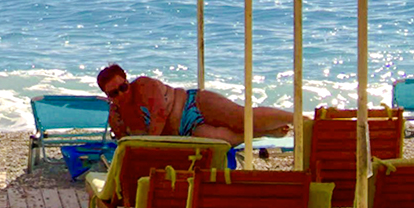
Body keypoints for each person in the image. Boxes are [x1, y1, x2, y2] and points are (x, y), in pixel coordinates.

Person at [96, 64, 295, 146]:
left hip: (193, 104)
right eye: (114, 93)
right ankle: (266, 132)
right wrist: (118, 124)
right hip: (186, 131)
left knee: (240, 118)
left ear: (127, 81)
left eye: (123, 86)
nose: (122, 93)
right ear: (108, 95)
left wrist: (150, 147)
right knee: (223, 140)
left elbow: (159, 114)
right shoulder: (118, 113)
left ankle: (297, 119)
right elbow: (124, 143)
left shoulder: (143, 85)